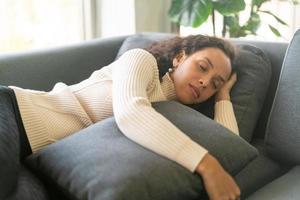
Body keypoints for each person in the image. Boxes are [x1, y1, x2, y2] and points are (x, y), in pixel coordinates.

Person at [8, 34, 240, 200]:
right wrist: (207, 165)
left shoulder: (177, 119)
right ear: (179, 57)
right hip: (14, 112)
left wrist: (223, 95)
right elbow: (131, 111)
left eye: (214, 82)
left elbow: (229, 148)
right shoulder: (142, 61)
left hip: (33, 161)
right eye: (202, 67)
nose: (205, 81)